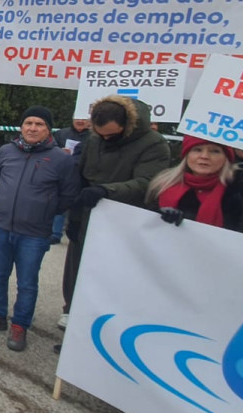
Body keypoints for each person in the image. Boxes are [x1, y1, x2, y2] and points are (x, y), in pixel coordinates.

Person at [56, 95, 169, 342]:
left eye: (111, 135)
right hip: (89, 213)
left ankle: (103, 328)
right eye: (100, 134)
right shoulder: (95, 138)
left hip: (124, 217)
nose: (105, 139)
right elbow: (82, 174)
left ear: (128, 126)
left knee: (110, 275)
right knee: (77, 266)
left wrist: (107, 191)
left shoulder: (154, 144)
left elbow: (148, 183)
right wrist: (74, 215)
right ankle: (72, 311)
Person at [0, 107, 81, 351]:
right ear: (21, 127)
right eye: (28, 123)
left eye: (39, 124)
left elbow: (67, 195)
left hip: (34, 233)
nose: (33, 128)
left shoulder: (61, 159)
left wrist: (44, 210)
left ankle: (20, 324)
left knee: (27, 282)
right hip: (2, 226)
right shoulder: (6, 151)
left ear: (49, 130)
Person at [147, 136, 243, 235]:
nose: (204, 156)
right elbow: (143, 225)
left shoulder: (238, 191)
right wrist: (158, 215)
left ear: (226, 158)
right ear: (187, 155)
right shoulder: (163, 185)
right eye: (197, 150)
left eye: (215, 151)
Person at [50, 117, 91, 244]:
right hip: (62, 175)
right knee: (59, 201)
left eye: (84, 119)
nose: (80, 121)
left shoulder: (94, 138)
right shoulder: (62, 133)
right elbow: (51, 147)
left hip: (82, 176)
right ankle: (55, 233)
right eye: (77, 118)